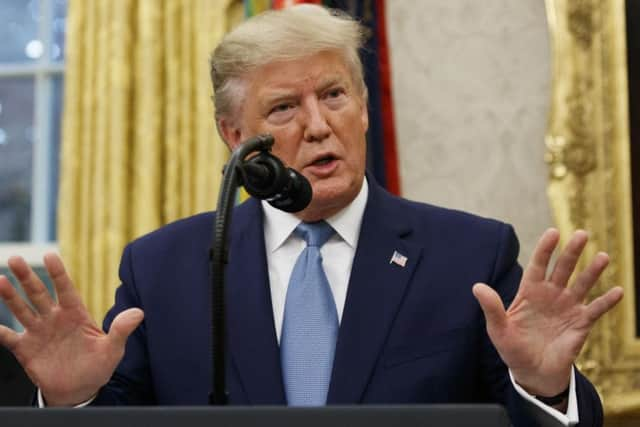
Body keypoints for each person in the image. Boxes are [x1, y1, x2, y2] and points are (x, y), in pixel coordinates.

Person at [0, 5, 623, 426]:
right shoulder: (163, 268)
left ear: (362, 106)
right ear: (233, 133)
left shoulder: (470, 255)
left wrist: (544, 388)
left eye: (333, 95)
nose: (319, 126)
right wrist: (72, 398)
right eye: (283, 109)